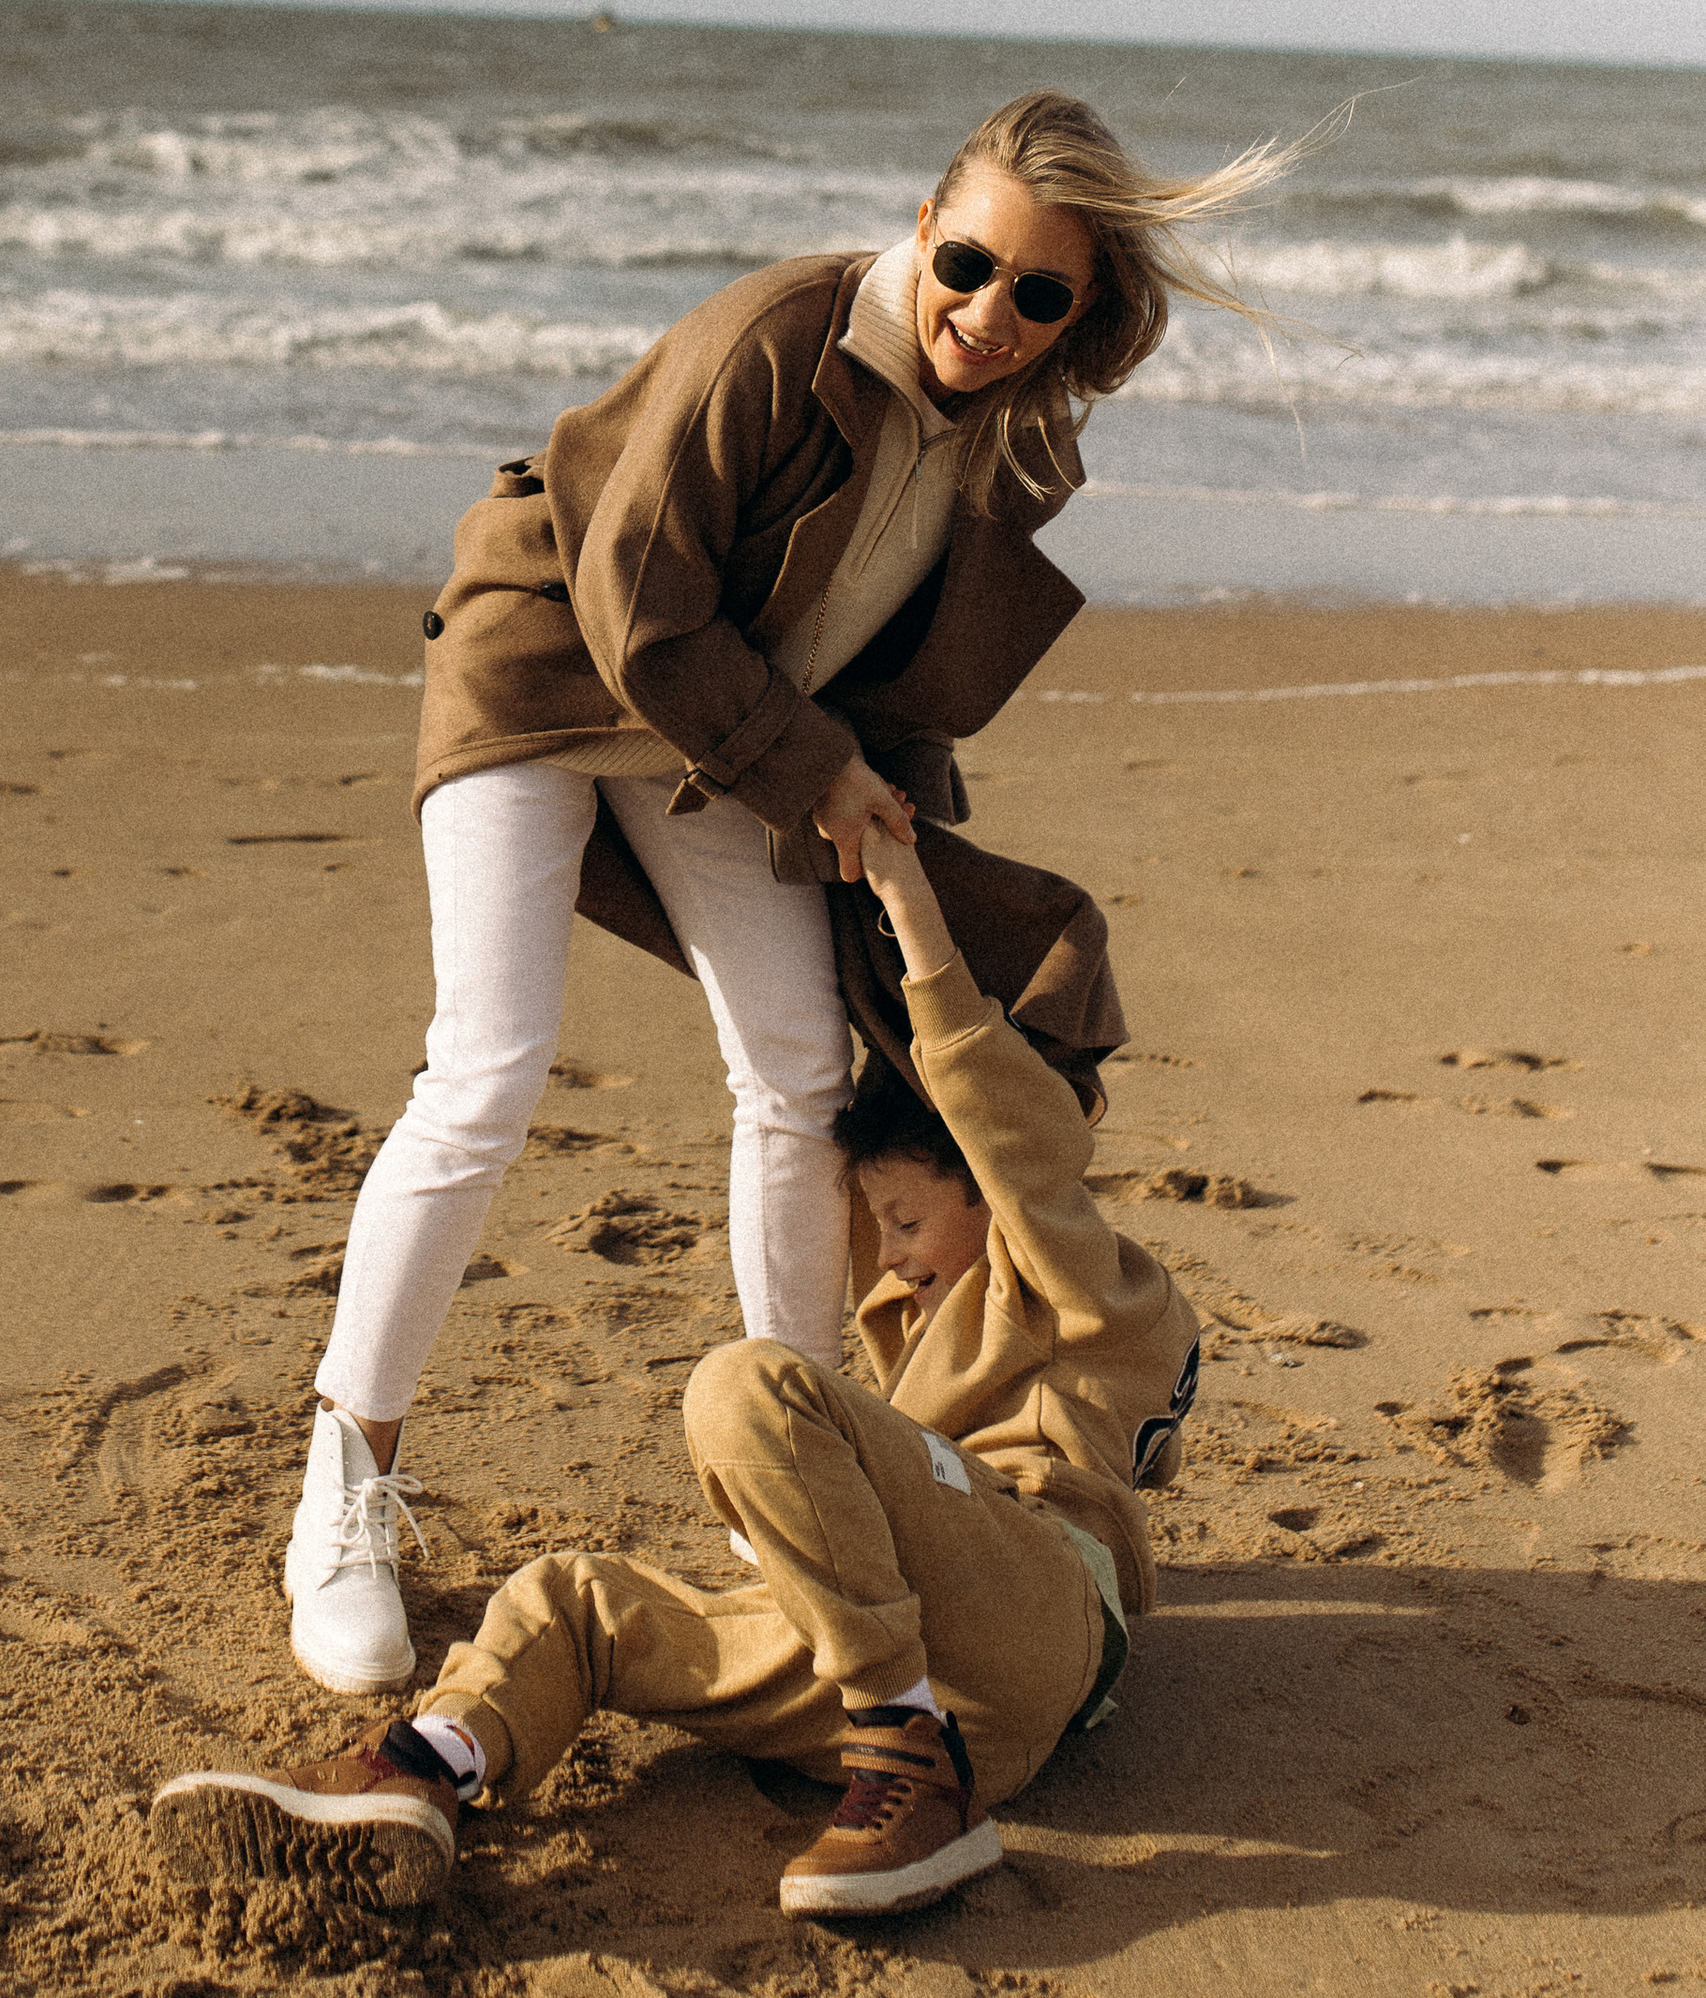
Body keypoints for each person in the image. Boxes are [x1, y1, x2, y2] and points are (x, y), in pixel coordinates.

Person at [281, 87, 1294, 1690]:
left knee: (803, 1077)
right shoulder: (773, 339)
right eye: (970, 266)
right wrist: (815, 775)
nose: (988, 315)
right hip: (554, 674)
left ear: (1083, 311)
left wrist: (894, 850)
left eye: (1042, 295)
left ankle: (807, 1486)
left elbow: (893, 685)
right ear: (923, 228)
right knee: (489, 1065)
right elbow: (642, 605)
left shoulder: (1017, 435)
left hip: (736, 727)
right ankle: (348, 1480)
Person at [156, 809, 1202, 1919]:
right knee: (573, 1600)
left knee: (746, 1383)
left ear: (996, 1195)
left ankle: (911, 1772)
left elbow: (999, 1125)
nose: (887, 1264)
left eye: (903, 1223)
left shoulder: (1073, 1269)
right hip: (881, 1659)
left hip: (1025, 1624)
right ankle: (428, 1770)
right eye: (875, 1231)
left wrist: (904, 902)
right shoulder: (949, 1318)